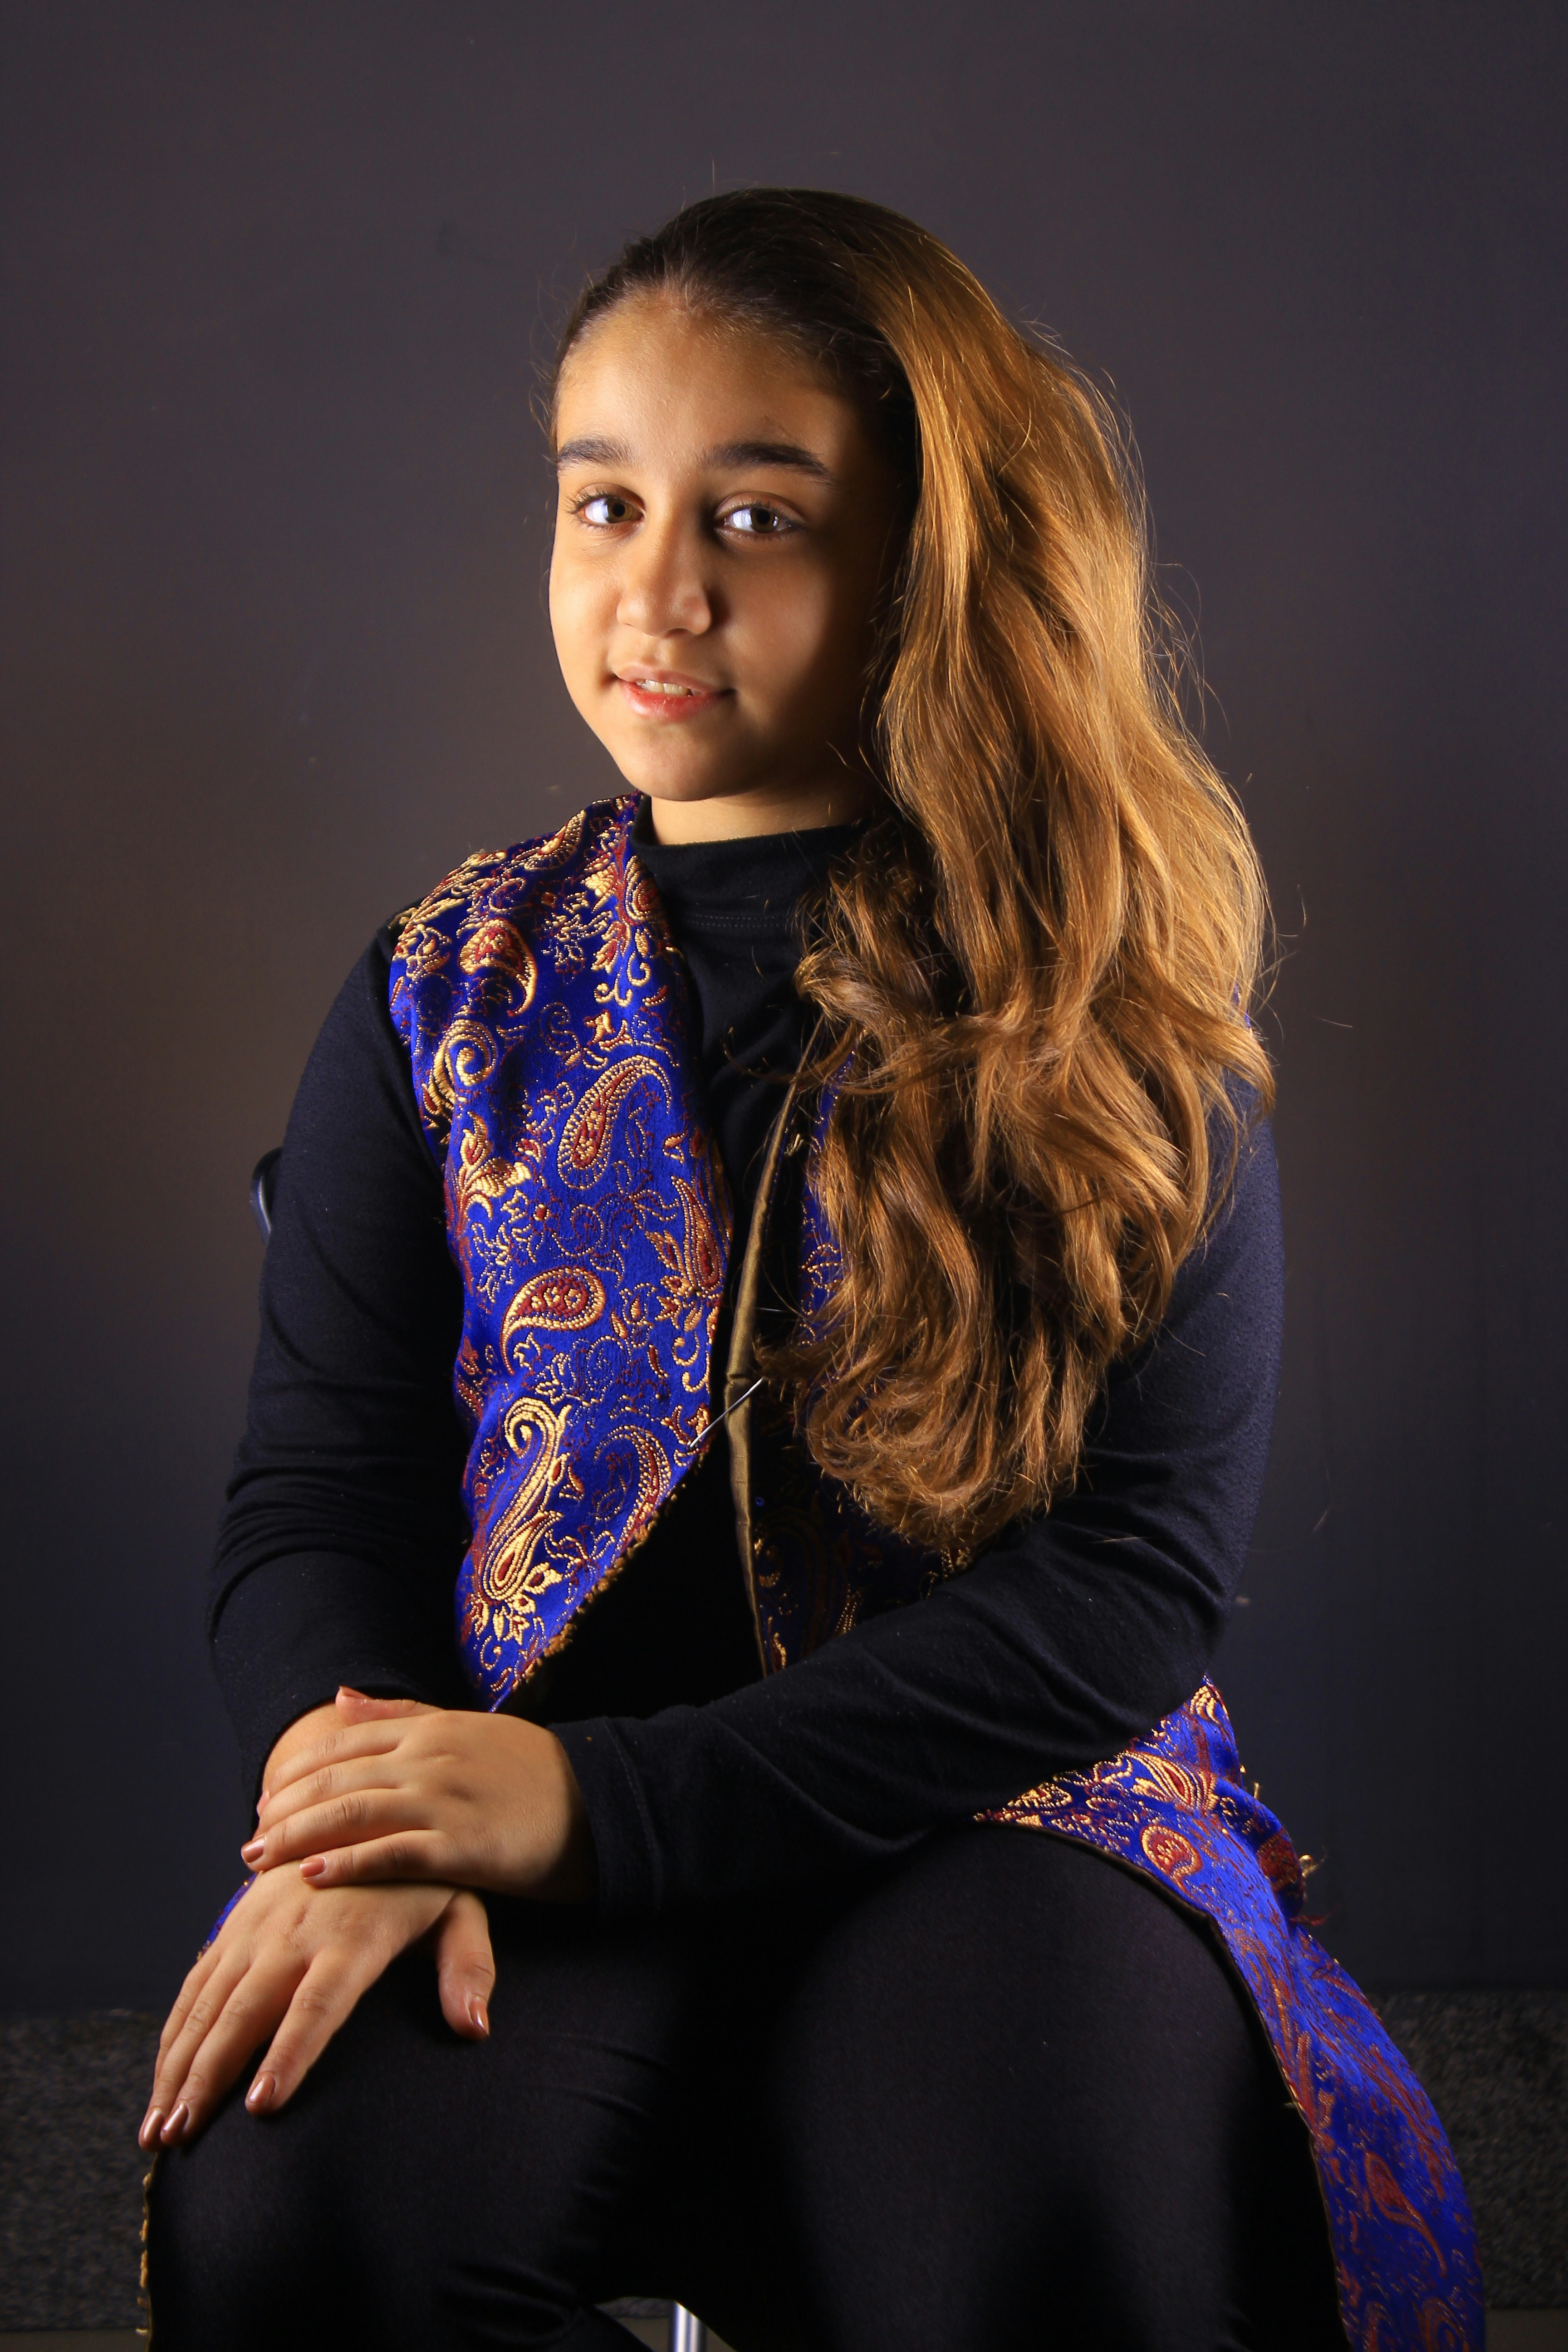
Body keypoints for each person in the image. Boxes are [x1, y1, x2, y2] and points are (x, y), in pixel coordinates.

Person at [142, 190, 1479, 2351]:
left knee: (1031, 2239)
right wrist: (365, 1806)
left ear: (920, 564)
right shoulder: (439, 992)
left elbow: (1126, 1592)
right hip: (515, 1789)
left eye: (754, 520)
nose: (656, 592)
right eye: (604, 502)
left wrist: (601, 1807)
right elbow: (316, 1496)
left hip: (1014, 1816)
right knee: (291, 2216)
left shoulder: (1109, 1007)